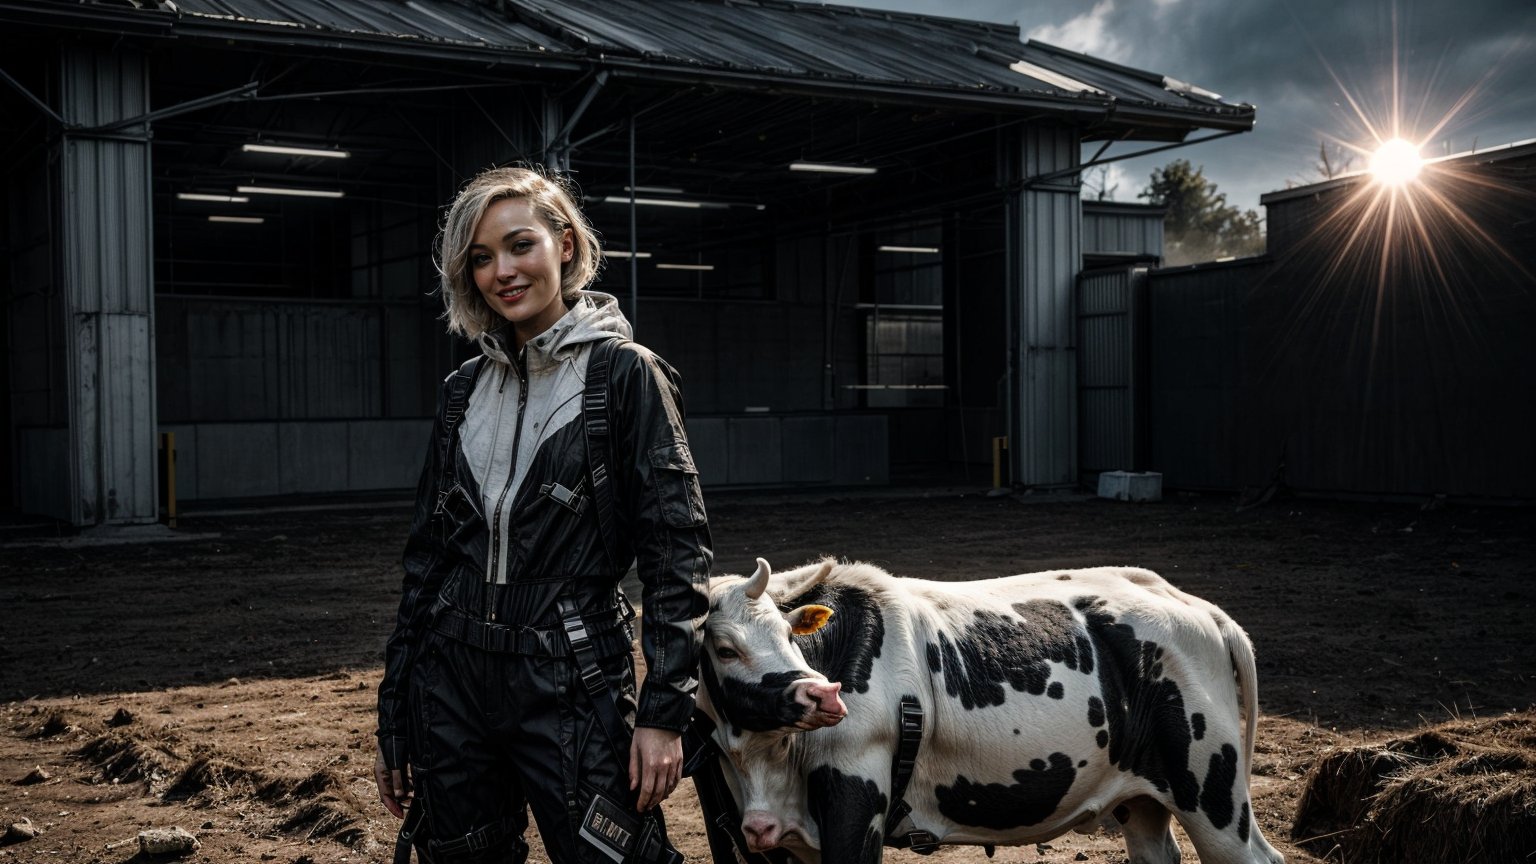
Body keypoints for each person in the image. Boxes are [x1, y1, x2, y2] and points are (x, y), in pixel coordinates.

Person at [374, 165, 710, 863]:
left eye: (519, 245)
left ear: (564, 243)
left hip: (573, 677)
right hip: (453, 681)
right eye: (481, 257)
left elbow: (677, 551)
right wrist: (398, 715)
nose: (503, 270)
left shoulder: (625, 376)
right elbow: (427, 561)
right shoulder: (462, 392)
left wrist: (663, 715)